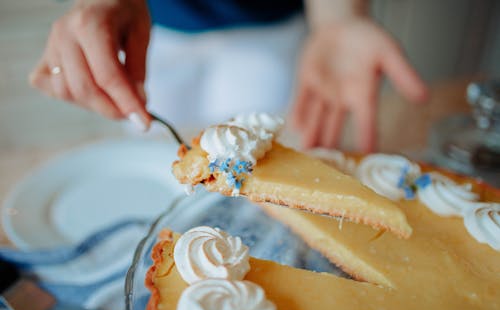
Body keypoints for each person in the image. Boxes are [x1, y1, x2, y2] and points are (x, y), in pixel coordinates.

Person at [29, 0, 428, 152]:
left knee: (273, 156)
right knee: (153, 155)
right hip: (151, 31)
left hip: (272, 34)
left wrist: (339, 18)